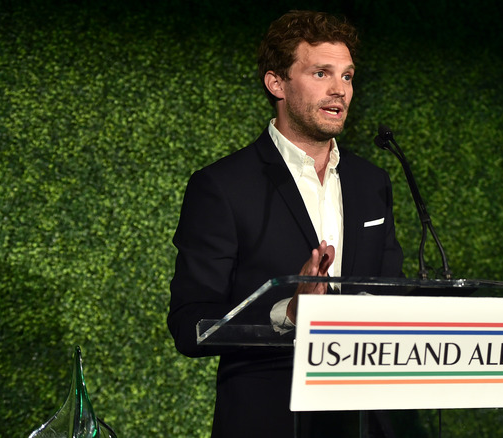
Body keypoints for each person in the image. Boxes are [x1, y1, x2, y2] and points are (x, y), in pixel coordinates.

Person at [168, 10, 404, 437]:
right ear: (276, 83)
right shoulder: (222, 186)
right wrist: (289, 313)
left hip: (364, 420)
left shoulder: (372, 182)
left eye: (348, 76)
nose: (340, 90)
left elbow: (395, 290)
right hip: (268, 419)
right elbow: (190, 325)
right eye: (321, 73)